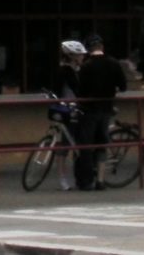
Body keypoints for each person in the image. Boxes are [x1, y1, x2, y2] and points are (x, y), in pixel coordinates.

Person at [75, 34, 127, 191]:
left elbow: (80, 90)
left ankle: (86, 181)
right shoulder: (114, 63)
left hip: (89, 109)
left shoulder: (86, 66)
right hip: (106, 108)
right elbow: (123, 86)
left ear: (88, 49)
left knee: (86, 145)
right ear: (102, 47)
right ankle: (101, 180)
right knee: (101, 144)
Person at [54, 40, 86, 190]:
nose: (82, 57)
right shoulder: (67, 71)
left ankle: (67, 177)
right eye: (80, 55)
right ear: (72, 56)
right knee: (68, 144)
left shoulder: (70, 70)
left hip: (69, 108)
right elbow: (78, 89)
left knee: (69, 143)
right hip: (70, 109)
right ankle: (63, 178)